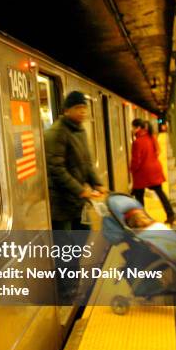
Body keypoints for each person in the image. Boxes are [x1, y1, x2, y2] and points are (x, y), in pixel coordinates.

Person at [44, 90, 107, 302]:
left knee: (82, 235)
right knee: (64, 245)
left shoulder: (80, 130)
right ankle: (66, 289)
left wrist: (96, 181)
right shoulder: (56, 133)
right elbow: (55, 168)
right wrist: (79, 189)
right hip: (61, 201)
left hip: (76, 201)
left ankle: (72, 279)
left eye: (84, 108)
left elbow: (86, 163)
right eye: (78, 108)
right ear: (67, 110)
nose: (82, 112)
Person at [129, 118, 175, 225]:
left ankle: (142, 219)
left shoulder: (137, 142)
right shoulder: (151, 137)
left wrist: (131, 169)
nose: (132, 129)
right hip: (154, 170)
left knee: (139, 197)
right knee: (160, 193)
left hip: (143, 173)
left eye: (133, 127)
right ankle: (171, 214)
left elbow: (136, 161)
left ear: (138, 128)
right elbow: (158, 151)